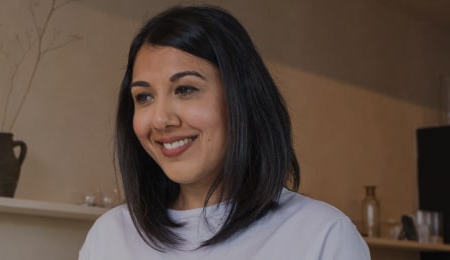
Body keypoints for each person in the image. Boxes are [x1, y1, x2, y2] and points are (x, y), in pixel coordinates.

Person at [79, 5, 370, 260]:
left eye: (185, 89)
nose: (160, 119)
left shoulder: (321, 234)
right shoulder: (110, 235)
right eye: (144, 97)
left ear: (241, 99)